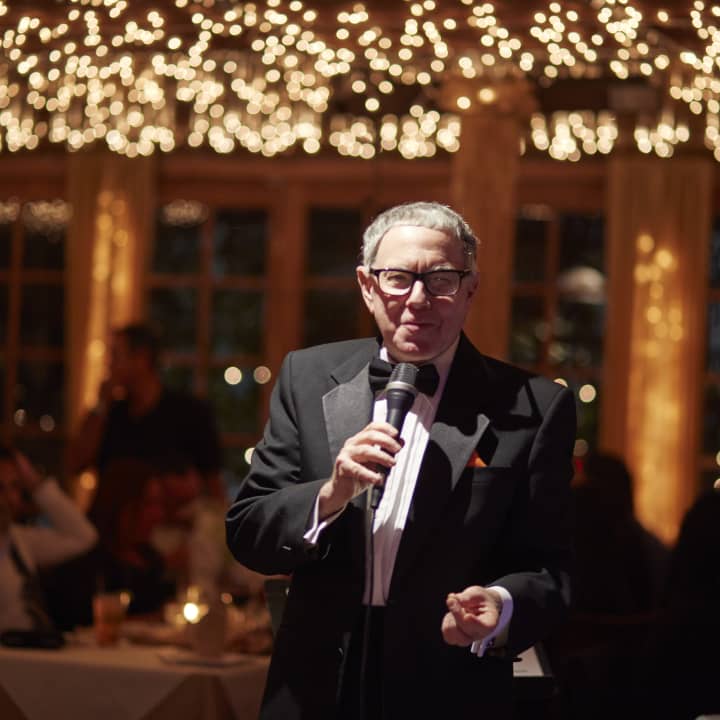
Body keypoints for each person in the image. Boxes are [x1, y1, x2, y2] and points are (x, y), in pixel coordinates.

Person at [225, 201, 576, 720]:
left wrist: (501, 604)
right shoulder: (306, 376)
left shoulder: (536, 406)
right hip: (315, 685)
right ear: (368, 286)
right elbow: (248, 531)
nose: (417, 299)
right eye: (398, 278)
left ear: (470, 289)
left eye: (441, 280)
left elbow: (550, 570)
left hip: (448, 685)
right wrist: (330, 494)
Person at [66, 322, 224, 501]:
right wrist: (101, 404)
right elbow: (74, 464)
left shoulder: (190, 413)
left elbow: (212, 482)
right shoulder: (110, 414)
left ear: (141, 359)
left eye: (116, 356)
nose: (109, 365)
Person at [0, 443, 98, 632]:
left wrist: (35, 483)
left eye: (15, 486)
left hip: (34, 646)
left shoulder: (21, 540)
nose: (9, 498)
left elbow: (83, 536)